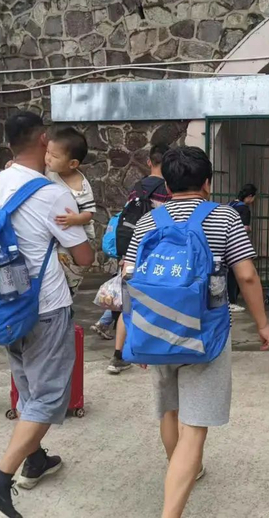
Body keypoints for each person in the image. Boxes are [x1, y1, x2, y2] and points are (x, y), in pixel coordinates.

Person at [121, 146, 269, 518]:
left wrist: (134, 337)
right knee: (194, 428)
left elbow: (129, 279)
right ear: (207, 182)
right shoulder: (225, 217)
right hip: (208, 336)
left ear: (167, 185)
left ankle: (181, 468)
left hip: (157, 329)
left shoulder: (149, 221)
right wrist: (263, 324)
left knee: (169, 410)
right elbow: (247, 276)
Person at [0, 112, 94, 518]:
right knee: (49, 395)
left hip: (4, 301)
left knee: (26, 385)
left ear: (8, 145)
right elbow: (84, 257)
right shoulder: (52, 193)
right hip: (45, 305)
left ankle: (35, 459)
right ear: (42, 140)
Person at [92, 143, 172, 375]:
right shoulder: (168, 190)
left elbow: (126, 224)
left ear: (149, 162)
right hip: (158, 254)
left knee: (129, 306)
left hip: (132, 254)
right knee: (160, 302)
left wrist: (125, 255)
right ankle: (154, 353)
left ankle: (118, 356)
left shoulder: (136, 189)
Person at [45, 127, 95, 296]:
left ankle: (70, 291)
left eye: (54, 156)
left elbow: (89, 213)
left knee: (67, 266)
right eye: (47, 152)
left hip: (78, 232)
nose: (48, 158)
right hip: (58, 231)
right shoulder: (50, 170)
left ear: (72, 164)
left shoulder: (80, 186)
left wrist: (76, 219)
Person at [227, 183, 258, 313]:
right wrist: (249, 229)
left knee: (227, 273)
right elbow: (244, 228)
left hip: (225, 244)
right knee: (236, 274)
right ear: (250, 196)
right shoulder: (244, 209)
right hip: (237, 246)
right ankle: (232, 301)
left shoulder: (230, 204)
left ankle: (227, 299)